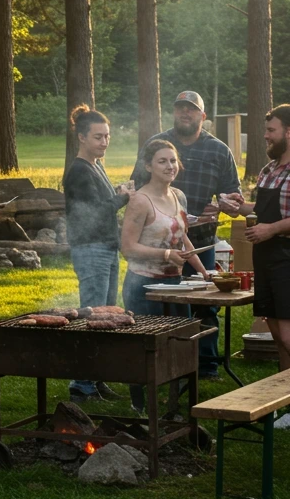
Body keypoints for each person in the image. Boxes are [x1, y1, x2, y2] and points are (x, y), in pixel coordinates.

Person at [134, 90, 242, 381]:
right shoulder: (157, 144)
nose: (185, 113)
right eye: (181, 108)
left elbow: (233, 195)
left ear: (202, 116)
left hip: (201, 241)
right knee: (164, 305)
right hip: (157, 243)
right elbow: (138, 185)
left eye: (191, 109)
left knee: (205, 305)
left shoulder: (219, 150)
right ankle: (168, 364)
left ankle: (205, 366)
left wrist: (222, 205)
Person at [122, 138, 212, 413]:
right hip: (144, 284)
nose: (170, 166)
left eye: (173, 160)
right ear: (148, 166)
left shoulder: (178, 196)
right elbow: (127, 248)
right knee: (144, 346)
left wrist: (204, 271)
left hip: (175, 284)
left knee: (180, 344)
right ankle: (140, 402)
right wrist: (164, 256)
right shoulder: (140, 201)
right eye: (162, 161)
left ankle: (174, 401)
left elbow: (182, 238)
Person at [62, 105, 135, 403]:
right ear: (81, 137)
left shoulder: (96, 166)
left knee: (106, 316)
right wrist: (123, 198)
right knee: (92, 315)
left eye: (107, 136)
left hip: (106, 247)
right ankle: (81, 384)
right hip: (90, 248)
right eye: (98, 137)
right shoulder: (79, 170)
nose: (104, 142)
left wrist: (116, 193)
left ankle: (97, 378)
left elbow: (102, 202)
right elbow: (90, 213)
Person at [234, 105, 290, 429]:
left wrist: (273, 229)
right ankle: (285, 403)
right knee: (278, 337)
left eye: (271, 130)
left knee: (288, 335)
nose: (266, 135)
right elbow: (262, 208)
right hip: (264, 260)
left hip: (286, 256)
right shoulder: (269, 169)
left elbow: (276, 219)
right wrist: (238, 207)